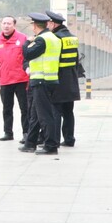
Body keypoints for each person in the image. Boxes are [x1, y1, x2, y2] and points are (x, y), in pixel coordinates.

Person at [20, 12, 61, 155]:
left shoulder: (41, 40)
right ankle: (30, 143)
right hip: (49, 79)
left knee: (44, 115)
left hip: (41, 80)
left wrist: (27, 42)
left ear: (35, 26)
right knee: (35, 115)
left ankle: (51, 145)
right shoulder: (54, 38)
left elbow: (27, 54)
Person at [0, 15, 31, 141]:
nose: (6, 26)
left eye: (9, 23)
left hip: (22, 80)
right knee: (7, 108)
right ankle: (8, 132)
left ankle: (26, 133)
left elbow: (28, 57)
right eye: (4, 23)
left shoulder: (23, 38)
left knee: (25, 108)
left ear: (14, 25)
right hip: (5, 80)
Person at [48, 11, 80, 147]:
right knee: (68, 111)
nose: (47, 26)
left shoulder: (55, 38)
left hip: (58, 79)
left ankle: (54, 140)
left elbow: (52, 59)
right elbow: (76, 60)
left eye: (48, 23)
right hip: (71, 79)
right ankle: (69, 139)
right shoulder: (72, 38)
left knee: (55, 111)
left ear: (54, 24)